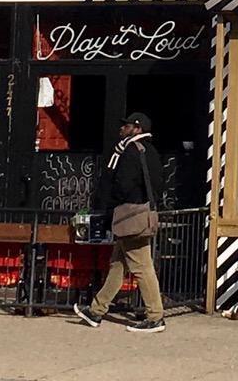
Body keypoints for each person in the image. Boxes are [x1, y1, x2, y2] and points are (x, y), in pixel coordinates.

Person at [78, 111, 167, 333]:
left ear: (136, 128)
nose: (122, 129)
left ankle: (155, 316)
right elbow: (157, 184)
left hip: (130, 216)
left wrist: (110, 207)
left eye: (126, 125)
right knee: (117, 265)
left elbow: (122, 185)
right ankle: (96, 310)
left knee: (142, 267)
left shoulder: (129, 151)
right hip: (142, 213)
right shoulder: (150, 151)